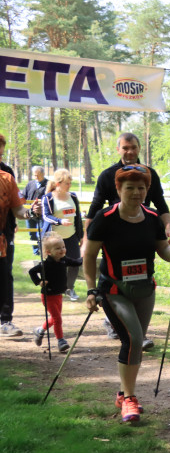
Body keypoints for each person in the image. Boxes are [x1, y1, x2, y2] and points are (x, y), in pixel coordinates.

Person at [83, 165, 170, 423]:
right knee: (133, 339)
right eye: (130, 188)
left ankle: (123, 392)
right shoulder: (105, 218)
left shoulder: (152, 217)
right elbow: (89, 255)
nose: (136, 192)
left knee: (135, 345)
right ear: (118, 190)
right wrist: (90, 289)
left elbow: (161, 248)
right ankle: (130, 400)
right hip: (114, 290)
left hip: (144, 289)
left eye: (141, 187)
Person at [85, 132, 170, 347]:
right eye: (125, 148)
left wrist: (168, 227)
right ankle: (122, 326)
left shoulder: (149, 174)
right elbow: (95, 206)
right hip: (113, 235)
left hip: (143, 229)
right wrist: (86, 238)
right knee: (115, 277)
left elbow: (161, 204)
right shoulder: (107, 176)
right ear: (119, 150)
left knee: (139, 281)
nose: (130, 151)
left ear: (139, 148)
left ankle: (134, 335)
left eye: (133, 147)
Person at [0, 134, 38, 337]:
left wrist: (31, 212)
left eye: (1, 149)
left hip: (3, 236)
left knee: (4, 276)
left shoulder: (7, 174)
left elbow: (18, 209)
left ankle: (5, 321)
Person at [29, 232, 82, 353]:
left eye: (63, 247)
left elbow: (77, 262)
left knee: (54, 319)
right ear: (48, 252)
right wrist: (39, 281)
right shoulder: (45, 264)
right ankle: (61, 341)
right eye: (58, 248)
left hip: (59, 295)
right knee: (58, 319)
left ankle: (39, 331)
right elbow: (32, 271)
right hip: (48, 296)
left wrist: (87, 255)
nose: (62, 250)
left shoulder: (64, 260)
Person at [40, 169, 84, 302]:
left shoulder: (73, 197)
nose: (69, 185)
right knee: (54, 266)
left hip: (71, 236)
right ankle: (54, 289)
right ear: (58, 183)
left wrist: (80, 236)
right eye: (67, 183)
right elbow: (46, 216)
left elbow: (77, 218)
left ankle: (69, 288)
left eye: (70, 183)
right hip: (54, 238)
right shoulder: (48, 198)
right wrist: (59, 221)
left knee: (75, 263)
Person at [22, 166, 48, 255]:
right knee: (32, 233)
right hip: (30, 212)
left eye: (38, 175)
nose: (36, 177)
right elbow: (23, 196)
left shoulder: (48, 184)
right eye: (34, 175)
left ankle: (43, 250)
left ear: (43, 174)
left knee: (42, 233)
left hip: (43, 214)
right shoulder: (30, 184)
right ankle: (36, 251)